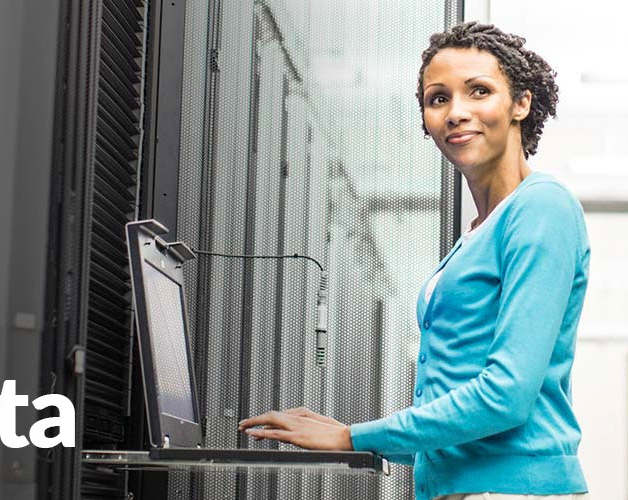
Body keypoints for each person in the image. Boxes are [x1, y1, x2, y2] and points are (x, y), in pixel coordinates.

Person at [237, 22, 589, 500]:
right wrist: (351, 435)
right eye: (438, 98)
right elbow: (459, 432)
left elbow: (506, 397)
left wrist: (354, 437)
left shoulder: (540, 208)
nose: (456, 113)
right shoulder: (478, 233)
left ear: (521, 104)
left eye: (479, 91)